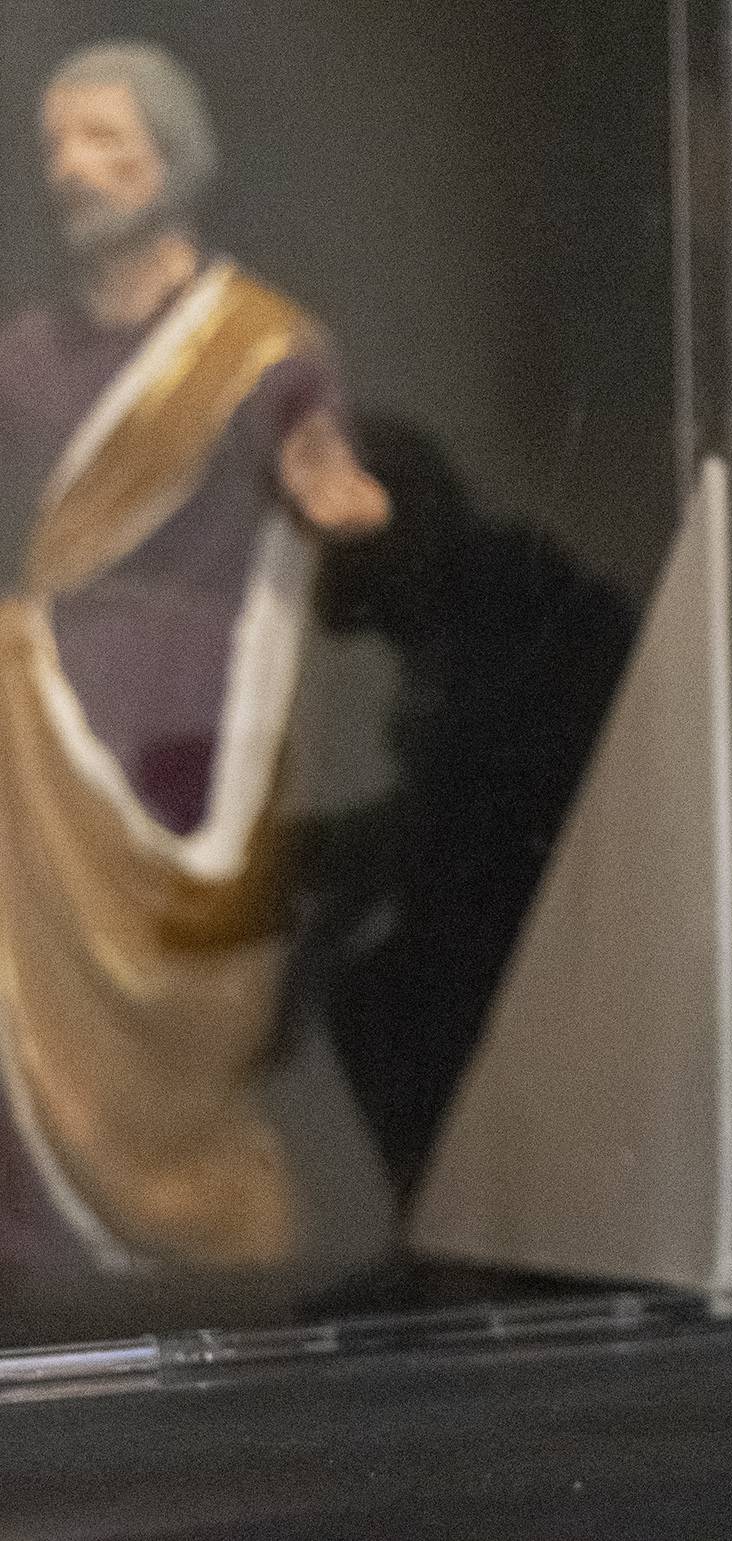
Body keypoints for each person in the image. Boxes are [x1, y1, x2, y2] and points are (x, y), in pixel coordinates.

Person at [0, 42, 388, 1285]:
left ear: (173, 159)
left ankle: (186, 1207)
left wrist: (327, 478)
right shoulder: (28, 351)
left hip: (184, 714)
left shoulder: (256, 343)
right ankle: (41, 1227)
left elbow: (314, 455)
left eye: (105, 140)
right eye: (58, 142)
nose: (73, 167)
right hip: (39, 710)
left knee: (180, 993)